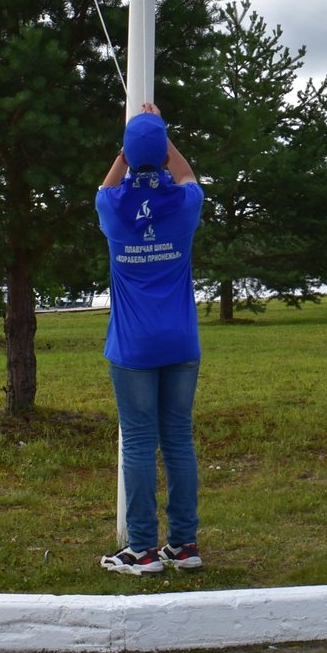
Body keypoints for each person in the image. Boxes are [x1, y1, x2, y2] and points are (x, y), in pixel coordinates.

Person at [95, 103, 206, 576]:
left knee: (139, 442)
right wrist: (163, 138)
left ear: (126, 153)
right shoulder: (183, 207)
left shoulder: (112, 208)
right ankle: (183, 545)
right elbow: (188, 176)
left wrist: (134, 145)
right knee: (178, 439)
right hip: (180, 344)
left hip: (133, 347)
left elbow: (107, 184)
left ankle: (141, 549)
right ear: (161, 154)